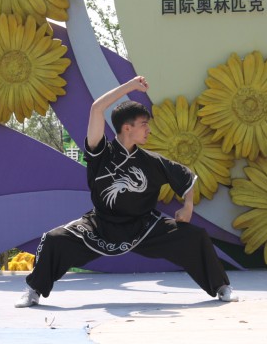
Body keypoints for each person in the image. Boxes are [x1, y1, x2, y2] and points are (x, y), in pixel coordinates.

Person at [15, 76, 239, 308]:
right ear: (127, 127)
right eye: (144, 125)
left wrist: (188, 205)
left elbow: (186, 177)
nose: (148, 130)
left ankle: (222, 287)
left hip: (144, 226)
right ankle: (33, 291)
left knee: (195, 236)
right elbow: (96, 108)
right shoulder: (100, 153)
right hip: (100, 225)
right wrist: (130, 86)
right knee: (54, 239)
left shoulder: (152, 161)